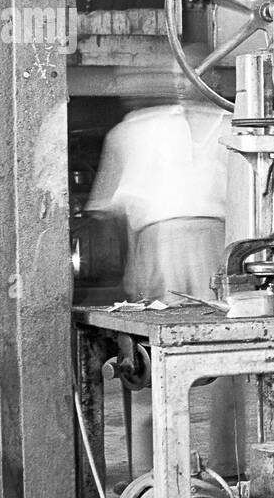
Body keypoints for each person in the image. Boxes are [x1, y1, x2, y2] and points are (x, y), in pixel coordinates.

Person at [86, 67, 236, 474]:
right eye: (182, 75)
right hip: (161, 246)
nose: (186, 83)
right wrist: (131, 271)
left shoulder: (236, 124)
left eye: (200, 75)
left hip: (223, 244)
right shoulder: (136, 129)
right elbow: (113, 210)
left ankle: (229, 469)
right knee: (156, 360)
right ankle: (153, 474)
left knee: (231, 359)